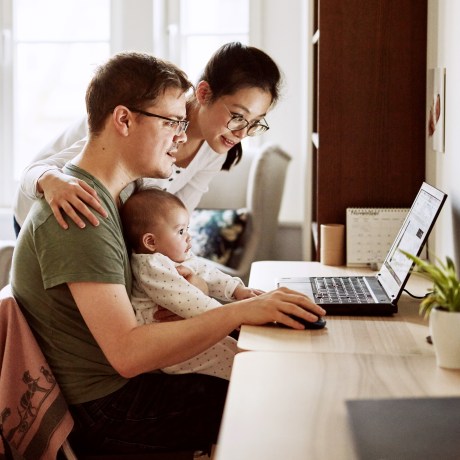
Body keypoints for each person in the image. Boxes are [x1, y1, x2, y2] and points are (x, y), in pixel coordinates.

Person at [11, 51, 326, 456]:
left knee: (266, 376)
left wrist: (218, 294)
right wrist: (237, 312)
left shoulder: (124, 196)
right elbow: (127, 353)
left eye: (183, 122)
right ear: (124, 120)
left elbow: (175, 246)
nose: (182, 137)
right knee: (270, 401)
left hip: (115, 389)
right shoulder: (81, 209)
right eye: (173, 123)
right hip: (105, 410)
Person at [14, 41, 283, 234]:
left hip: (97, 222)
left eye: (254, 123)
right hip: (38, 210)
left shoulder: (214, 149)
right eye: (237, 115)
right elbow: (34, 171)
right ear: (203, 94)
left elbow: (177, 218)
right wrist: (52, 181)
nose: (242, 133)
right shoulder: (145, 119)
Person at [120, 186, 263, 381]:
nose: (189, 236)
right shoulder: (152, 266)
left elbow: (206, 273)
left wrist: (237, 290)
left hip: (189, 329)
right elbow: (189, 301)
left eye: (187, 229)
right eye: (180, 231)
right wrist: (234, 317)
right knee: (236, 361)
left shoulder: (176, 257)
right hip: (169, 347)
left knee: (242, 350)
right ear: (151, 242)